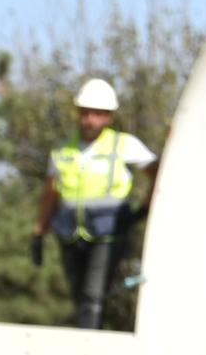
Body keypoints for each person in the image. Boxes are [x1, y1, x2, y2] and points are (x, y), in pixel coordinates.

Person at [37, 79, 157, 331]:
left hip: (108, 232)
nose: (89, 119)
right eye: (85, 112)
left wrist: (143, 210)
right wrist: (39, 231)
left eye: (97, 113)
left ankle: (87, 350)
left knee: (94, 294)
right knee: (79, 296)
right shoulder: (62, 150)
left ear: (109, 117)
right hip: (70, 233)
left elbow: (159, 174)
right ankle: (87, 340)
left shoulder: (124, 145)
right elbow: (50, 193)